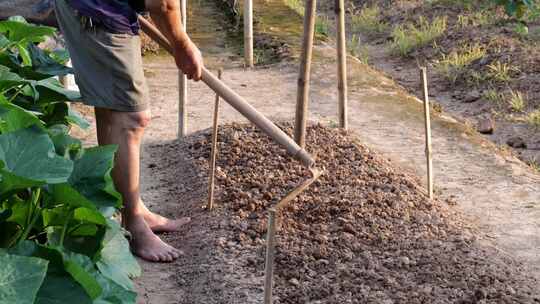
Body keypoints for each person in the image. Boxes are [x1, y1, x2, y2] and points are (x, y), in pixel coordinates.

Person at [54, 0, 204, 263]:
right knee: (132, 117)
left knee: (112, 109)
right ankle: (134, 224)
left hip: (91, 6)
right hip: (97, 10)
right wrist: (182, 44)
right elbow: (164, 4)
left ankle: (134, 210)